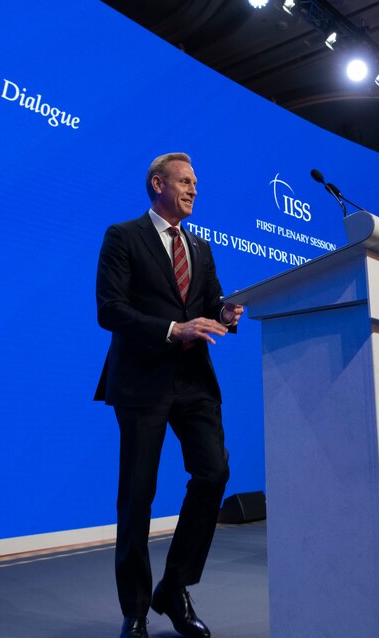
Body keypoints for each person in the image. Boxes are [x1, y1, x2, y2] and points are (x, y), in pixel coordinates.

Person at [95, 152, 243, 638]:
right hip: (142, 380)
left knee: (214, 471)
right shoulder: (123, 236)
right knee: (137, 495)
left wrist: (225, 316)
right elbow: (110, 310)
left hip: (194, 381)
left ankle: (173, 589)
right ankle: (135, 607)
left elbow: (210, 304)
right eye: (185, 181)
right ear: (157, 184)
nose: (194, 189)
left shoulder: (200, 248)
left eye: (196, 182)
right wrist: (173, 329)